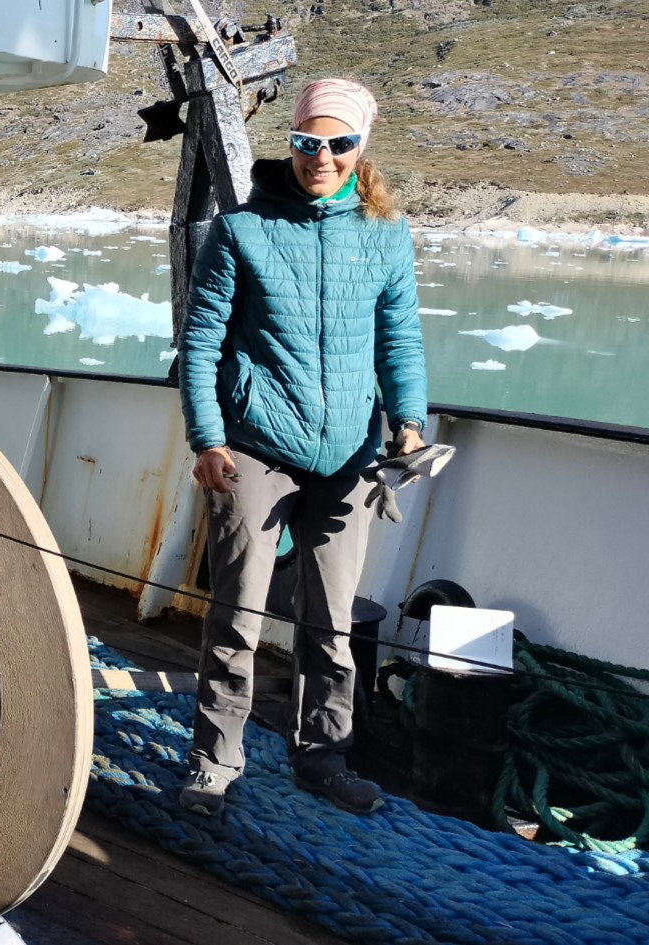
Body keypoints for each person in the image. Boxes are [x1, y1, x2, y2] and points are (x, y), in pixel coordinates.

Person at [176, 78, 427, 817]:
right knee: (239, 612)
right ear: (290, 142)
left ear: (361, 147)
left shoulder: (385, 234)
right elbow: (200, 344)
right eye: (308, 142)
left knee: (333, 618)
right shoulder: (242, 230)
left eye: (339, 142)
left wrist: (408, 423)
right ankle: (214, 760)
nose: (322, 156)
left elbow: (400, 340)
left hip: (347, 452)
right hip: (254, 446)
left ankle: (323, 755)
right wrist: (207, 437)